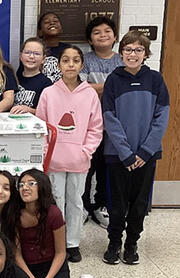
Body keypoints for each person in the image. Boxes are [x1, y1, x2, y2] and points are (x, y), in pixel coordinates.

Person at [101, 31, 169, 265]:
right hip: (118, 155)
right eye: (128, 49)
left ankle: (131, 244)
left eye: (138, 50)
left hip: (146, 156)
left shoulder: (156, 80)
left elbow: (161, 118)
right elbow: (109, 117)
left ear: (146, 54)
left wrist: (144, 152)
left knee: (139, 204)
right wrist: (126, 153)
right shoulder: (113, 80)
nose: (133, 54)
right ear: (121, 53)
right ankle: (114, 242)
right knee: (117, 204)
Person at [36, 45, 103, 263]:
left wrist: (86, 151)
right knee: (55, 202)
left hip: (78, 160)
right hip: (54, 159)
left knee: (75, 201)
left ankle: (72, 243)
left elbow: (95, 128)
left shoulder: (90, 94)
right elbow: (41, 126)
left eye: (75, 60)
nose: (71, 64)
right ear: (59, 65)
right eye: (66, 60)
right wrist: (47, 153)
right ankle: (57, 244)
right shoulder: (49, 93)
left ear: (82, 65)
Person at [14, 169, 103, 278]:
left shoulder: (53, 213)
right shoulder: (15, 214)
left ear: (42, 186)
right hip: (27, 270)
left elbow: (61, 253)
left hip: (54, 268)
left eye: (30, 183)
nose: (24, 187)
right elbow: (17, 255)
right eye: (21, 184)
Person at [80, 16, 124, 229]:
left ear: (115, 36)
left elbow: (126, 88)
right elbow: (81, 88)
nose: (103, 35)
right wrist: (112, 84)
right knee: (87, 166)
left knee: (108, 166)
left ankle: (102, 205)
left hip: (116, 122)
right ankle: (84, 206)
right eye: (97, 32)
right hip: (88, 122)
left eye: (107, 31)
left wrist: (96, 86)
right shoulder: (85, 59)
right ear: (90, 38)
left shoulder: (122, 59)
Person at [10, 37, 52, 115]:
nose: (31, 56)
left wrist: (29, 110)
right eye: (27, 52)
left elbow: (48, 112)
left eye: (37, 54)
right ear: (21, 56)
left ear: (43, 59)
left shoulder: (46, 83)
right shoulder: (13, 78)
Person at [35, 12, 69, 83]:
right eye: (47, 22)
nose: (52, 23)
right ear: (40, 31)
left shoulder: (68, 49)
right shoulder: (34, 49)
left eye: (56, 21)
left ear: (61, 29)